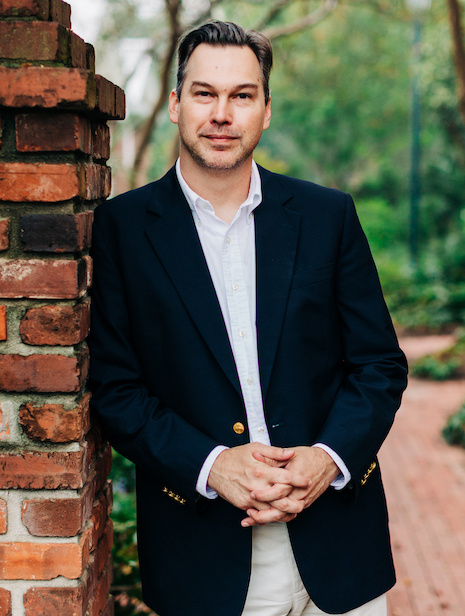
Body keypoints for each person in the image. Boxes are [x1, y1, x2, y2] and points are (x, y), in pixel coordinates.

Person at [89, 20, 408, 616]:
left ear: (265, 111)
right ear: (177, 103)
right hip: (205, 551)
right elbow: (116, 390)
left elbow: (378, 365)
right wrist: (212, 466)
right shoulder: (122, 231)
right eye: (205, 93)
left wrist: (327, 459)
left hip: (338, 543)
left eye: (242, 95)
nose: (221, 114)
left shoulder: (327, 215)